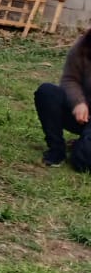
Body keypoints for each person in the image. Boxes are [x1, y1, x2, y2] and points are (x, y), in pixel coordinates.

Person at [34, 29, 91, 171]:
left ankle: (81, 145)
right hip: (81, 114)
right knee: (47, 92)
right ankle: (57, 149)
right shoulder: (84, 45)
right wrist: (78, 102)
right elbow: (70, 79)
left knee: (82, 161)